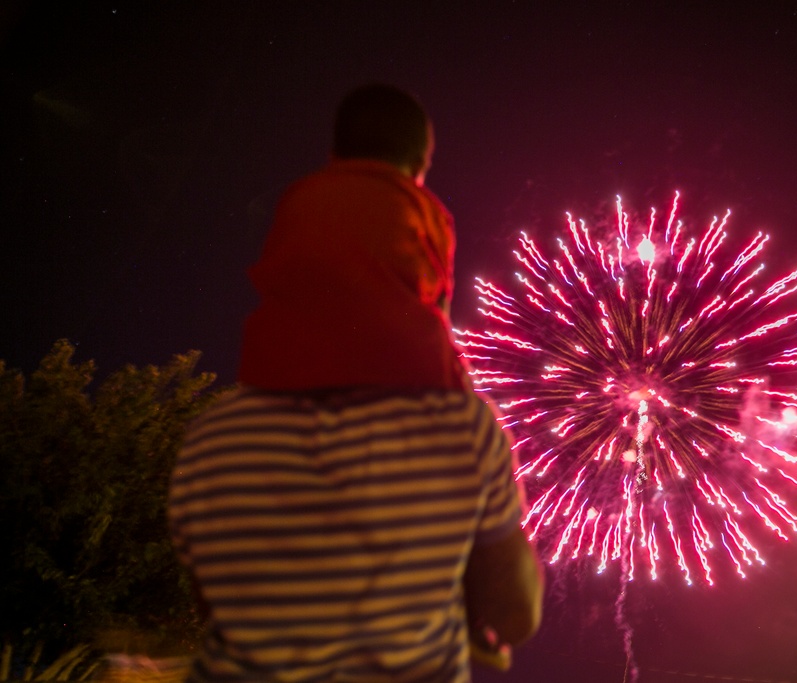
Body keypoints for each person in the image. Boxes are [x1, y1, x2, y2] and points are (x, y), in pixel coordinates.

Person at [169, 84, 543, 683]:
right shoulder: (461, 431)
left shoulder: (211, 440)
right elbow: (515, 614)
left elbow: (220, 605)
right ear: (424, 251)